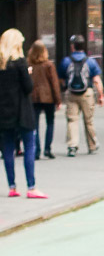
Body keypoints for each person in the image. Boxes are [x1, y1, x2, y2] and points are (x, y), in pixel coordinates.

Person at [0, 29, 46, 198]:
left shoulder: (1, 64)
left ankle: (12, 187)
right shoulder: (20, 63)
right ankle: (31, 187)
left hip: (4, 113)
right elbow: (28, 87)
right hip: (22, 112)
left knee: (8, 149)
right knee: (29, 147)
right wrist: (28, 74)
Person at [58, 34, 103, 157]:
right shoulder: (90, 61)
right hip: (87, 93)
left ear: (72, 47)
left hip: (71, 93)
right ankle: (92, 145)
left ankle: (72, 146)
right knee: (89, 121)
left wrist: (64, 89)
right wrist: (101, 95)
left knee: (72, 120)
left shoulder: (66, 61)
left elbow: (61, 79)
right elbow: (97, 80)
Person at [27, 40, 60, 160]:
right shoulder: (48, 65)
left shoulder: (29, 65)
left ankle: (37, 150)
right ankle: (47, 148)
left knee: (35, 124)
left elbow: (28, 79)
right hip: (48, 98)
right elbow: (54, 83)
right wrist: (58, 99)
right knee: (50, 122)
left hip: (34, 97)